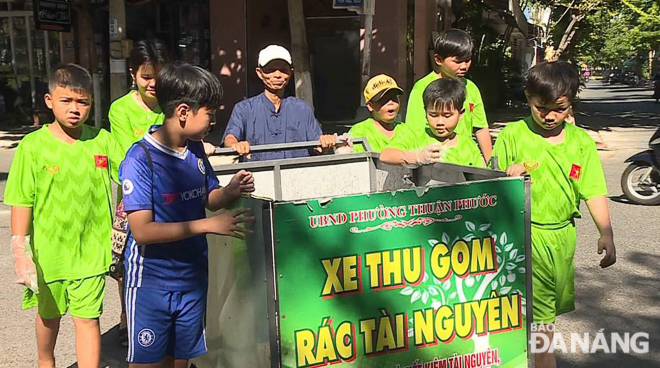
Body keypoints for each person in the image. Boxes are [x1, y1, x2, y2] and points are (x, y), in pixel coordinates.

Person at [120, 62, 255, 368]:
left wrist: (231, 190)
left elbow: (209, 197)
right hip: (151, 283)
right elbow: (142, 231)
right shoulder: (139, 159)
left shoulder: (194, 150)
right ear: (183, 112)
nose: (213, 122)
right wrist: (208, 225)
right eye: (210, 113)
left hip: (192, 279)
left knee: (180, 362)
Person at [492, 61, 616, 368]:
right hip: (524, 237)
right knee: (540, 321)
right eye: (541, 107)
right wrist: (509, 177)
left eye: (559, 109)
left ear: (571, 103)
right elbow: (490, 187)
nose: (549, 116)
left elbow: (593, 190)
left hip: (563, 238)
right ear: (527, 98)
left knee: (542, 316)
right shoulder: (512, 135)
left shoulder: (581, 142)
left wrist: (606, 232)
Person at [5, 64, 123, 368]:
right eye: (66, 101)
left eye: (82, 102)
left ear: (91, 104)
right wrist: (20, 250)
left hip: (92, 251)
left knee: (88, 319)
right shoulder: (33, 147)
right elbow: (21, 201)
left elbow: (131, 176)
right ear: (49, 101)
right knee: (49, 315)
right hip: (49, 254)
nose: (75, 109)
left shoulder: (102, 140)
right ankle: (46, 361)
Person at [223, 44, 336, 161]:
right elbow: (230, 138)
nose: (277, 75)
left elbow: (317, 144)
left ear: (290, 73)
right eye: (270, 70)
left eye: (283, 70)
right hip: (257, 176)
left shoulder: (302, 108)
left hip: (297, 174)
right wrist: (236, 145)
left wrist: (325, 142)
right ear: (259, 73)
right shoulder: (244, 108)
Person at [404, 29, 493, 162]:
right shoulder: (421, 88)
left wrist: (492, 165)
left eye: (467, 60)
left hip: (464, 160)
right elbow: (413, 131)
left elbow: (481, 128)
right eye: (457, 62)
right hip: (434, 162)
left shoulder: (472, 88)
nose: (464, 66)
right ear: (438, 59)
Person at [380, 78, 485, 168]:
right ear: (425, 112)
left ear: (461, 114)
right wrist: (417, 157)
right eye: (433, 115)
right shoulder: (415, 137)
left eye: (447, 116)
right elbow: (385, 155)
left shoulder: (468, 146)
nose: (440, 122)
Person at [347, 74, 405, 153]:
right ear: (370, 106)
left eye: (394, 97)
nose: (390, 102)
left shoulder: (406, 130)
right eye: (383, 99)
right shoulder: (359, 132)